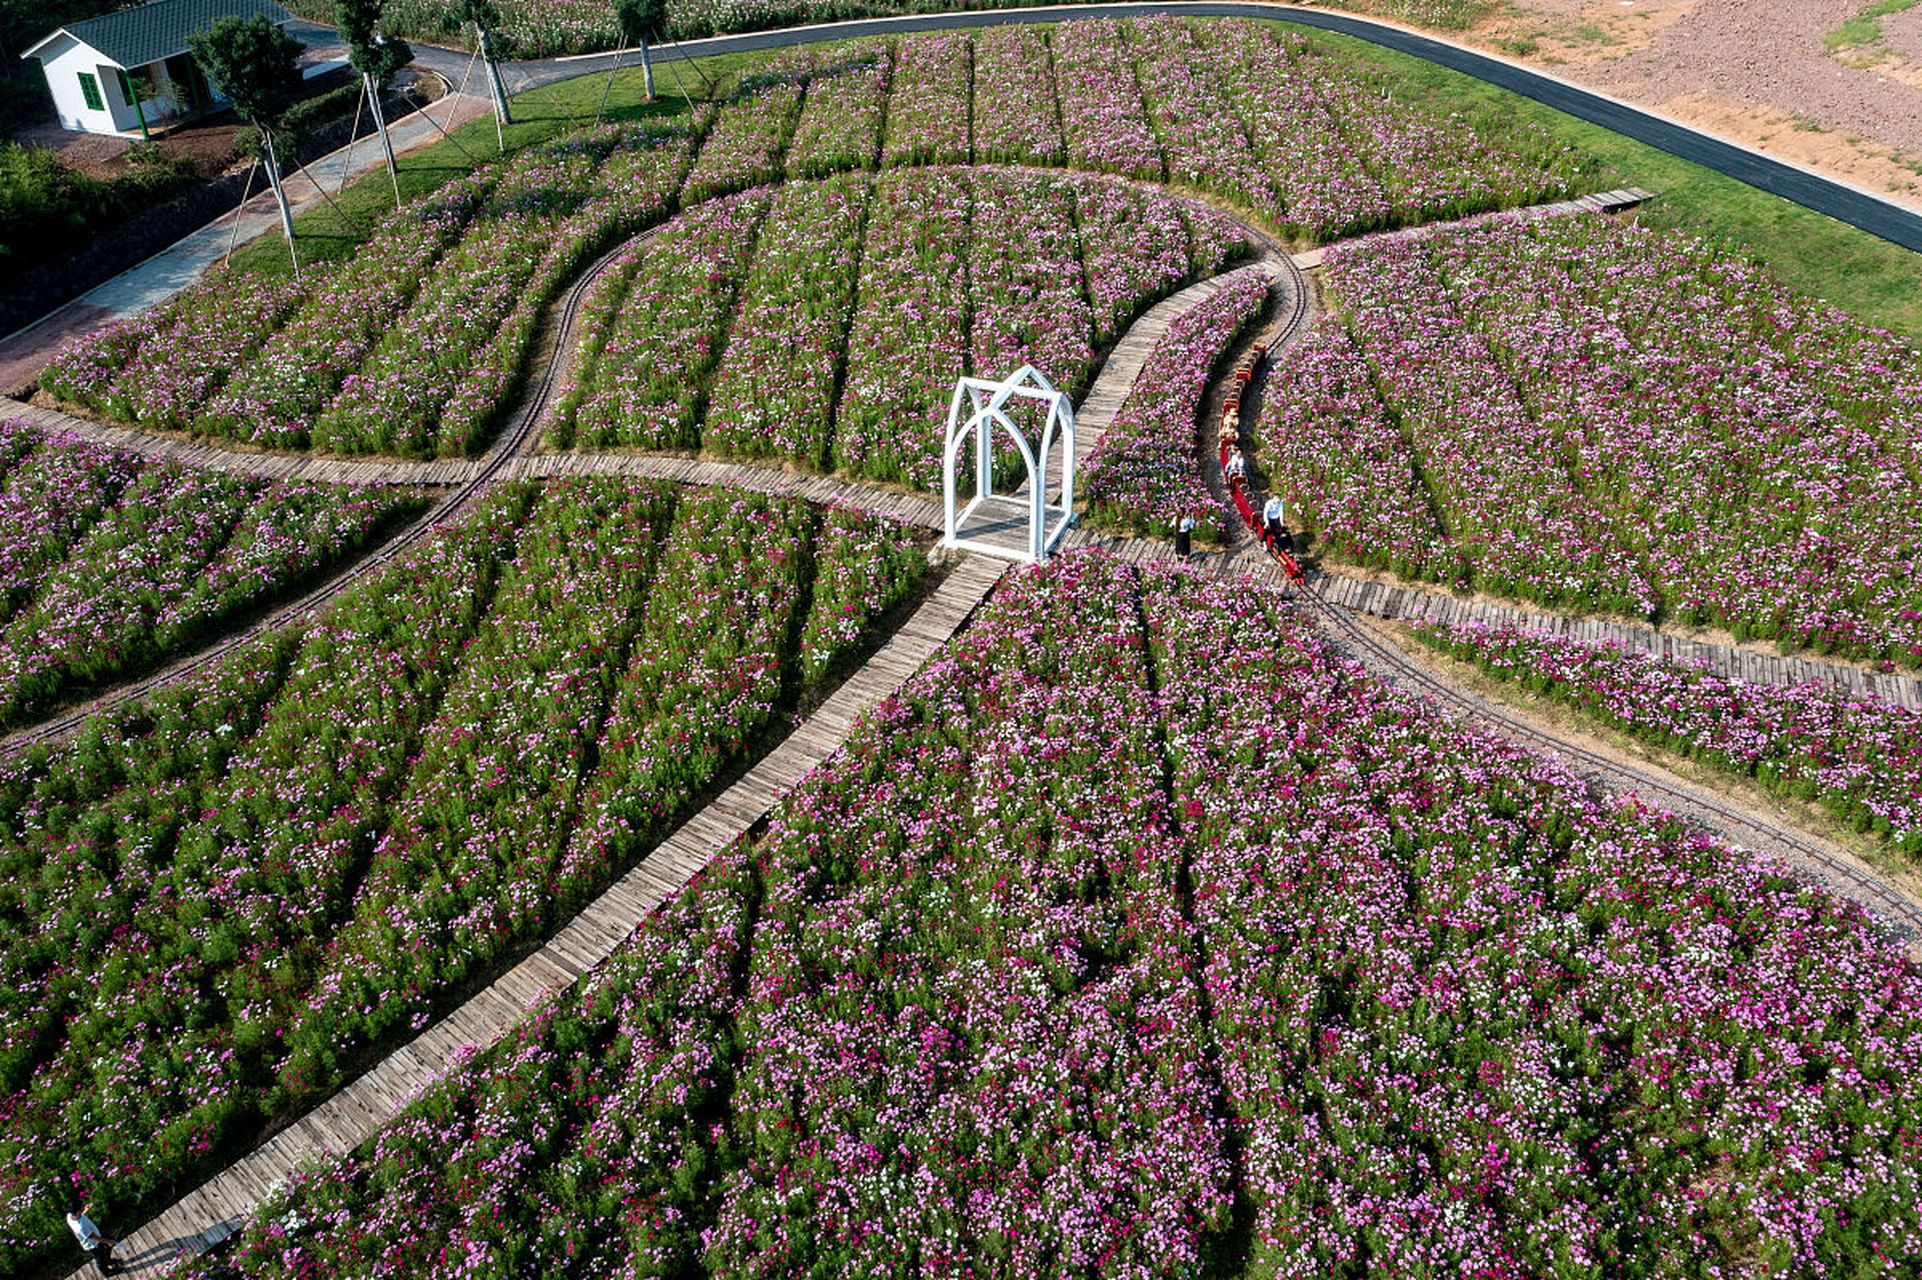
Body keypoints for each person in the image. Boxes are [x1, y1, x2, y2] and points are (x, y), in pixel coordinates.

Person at [67, 1208, 116, 1276]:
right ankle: (106, 1272)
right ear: (77, 1211)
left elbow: (79, 1218)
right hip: (92, 1244)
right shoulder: (80, 1227)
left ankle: (107, 1260)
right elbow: (94, 1238)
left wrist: (85, 1211)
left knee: (109, 1243)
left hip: (96, 1235)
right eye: (80, 1209)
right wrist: (108, 1242)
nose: (82, 1208)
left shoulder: (69, 1216)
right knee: (100, 1258)